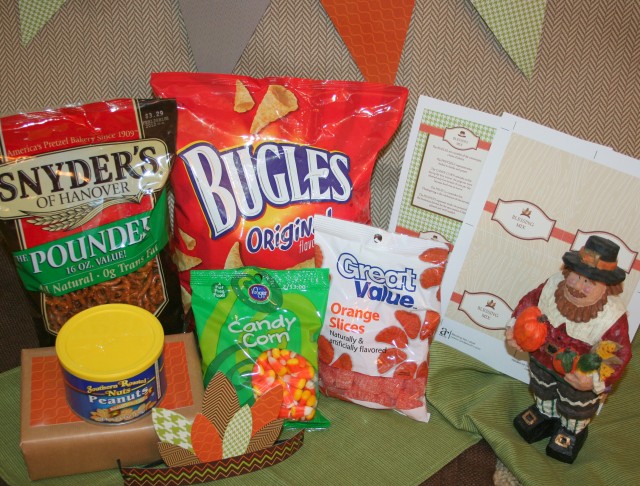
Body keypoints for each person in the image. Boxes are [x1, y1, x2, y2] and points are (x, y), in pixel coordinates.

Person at [505, 235, 632, 463]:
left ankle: (570, 431)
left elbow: (617, 355)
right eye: (576, 276)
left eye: (589, 282)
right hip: (542, 360)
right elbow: (529, 303)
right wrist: (516, 328)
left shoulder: (612, 316)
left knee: (575, 407)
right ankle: (545, 413)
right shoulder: (553, 285)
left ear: (605, 287)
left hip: (577, 376)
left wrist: (592, 380)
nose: (578, 286)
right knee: (541, 389)